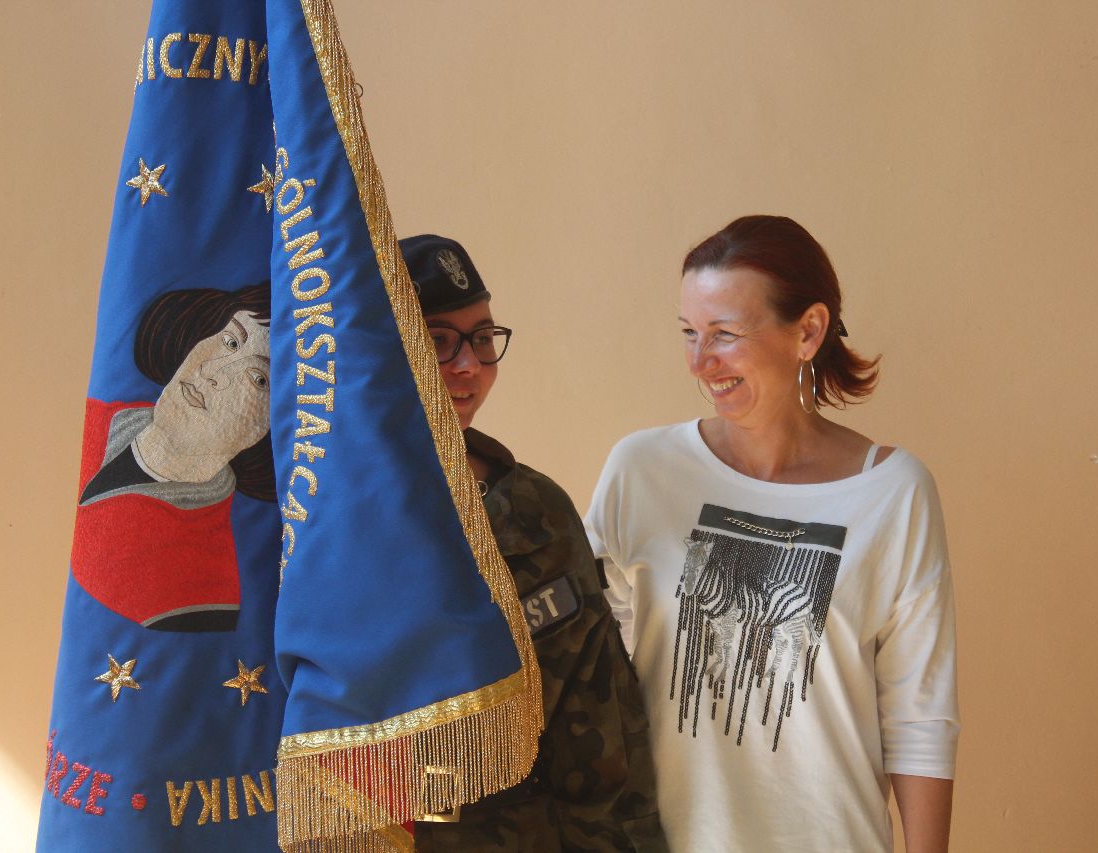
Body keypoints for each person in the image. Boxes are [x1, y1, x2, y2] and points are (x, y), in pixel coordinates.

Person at [584, 215, 959, 852]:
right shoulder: (641, 471)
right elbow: (588, 669)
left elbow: (919, 715)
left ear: (808, 331)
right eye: (689, 332)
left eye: (725, 334)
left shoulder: (893, 493)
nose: (700, 362)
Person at [399, 234, 668, 852]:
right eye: (438, 340)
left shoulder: (533, 507)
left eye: (482, 338)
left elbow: (601, 731)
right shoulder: (315, 515)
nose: (470, 365)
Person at [71, 284, 275, 632]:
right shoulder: (97, 415)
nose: (213, 371)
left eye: (258, 379)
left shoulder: (200, 592)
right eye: (231, 342)